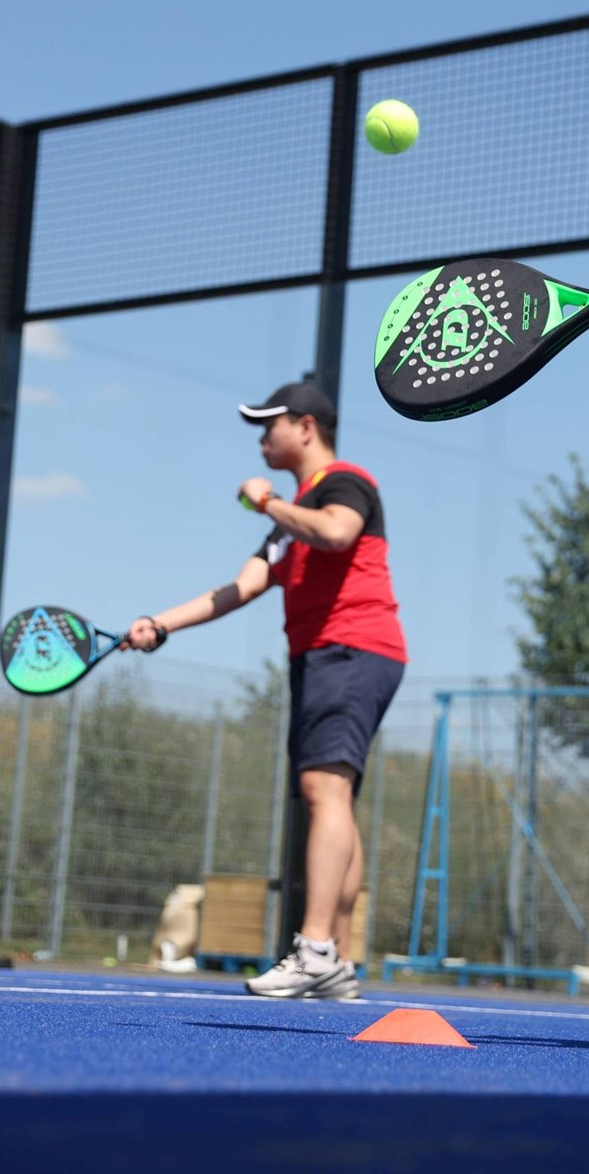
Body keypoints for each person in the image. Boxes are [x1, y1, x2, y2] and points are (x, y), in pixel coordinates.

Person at [121, 381, 406, 1000]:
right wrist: (160, 623)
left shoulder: (343, 482)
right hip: (330, 654)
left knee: (322, 788)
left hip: (352, 646)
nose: (260, 438)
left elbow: (336, 533)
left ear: (306, 427)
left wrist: (270, 502)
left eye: (268, 425)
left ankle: (316, 950)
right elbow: (239, 589)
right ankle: (339, 962)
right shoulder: (287, 519)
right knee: (335, 796)